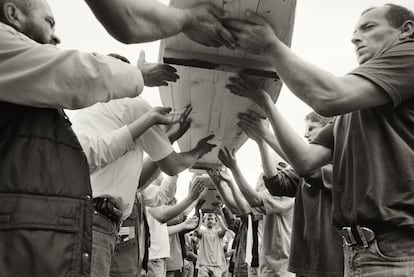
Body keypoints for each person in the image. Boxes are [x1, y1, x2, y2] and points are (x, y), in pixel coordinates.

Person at [225, 3, 414, 276]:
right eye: (354, 31)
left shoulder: (409, 57)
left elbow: (329, 96)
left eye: (369, 27)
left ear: (406, 31)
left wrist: (271, 46)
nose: (355, 37)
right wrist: (267, 105)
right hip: (358, 253)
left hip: (398, 252)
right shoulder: (349, 113)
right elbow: (305, 161)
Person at [0, 0, 165, 276]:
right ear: (13, 14)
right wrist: (137, 76)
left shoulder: (28, 98)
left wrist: (147, 123)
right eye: (48, 22)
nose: (56, 36)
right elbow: (77, 73)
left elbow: (86, 152)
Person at [238, 110, 343, 277]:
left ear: (329, 132)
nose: (305, 134)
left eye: (311, 128)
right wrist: (262, 143)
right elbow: (276, 185)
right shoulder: (301, 170)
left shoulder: (341, 165)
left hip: (330, 263)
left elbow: (310, 169)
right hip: (305, 261)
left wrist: (267, 134)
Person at [195, 210, 229, 277]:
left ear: (215, 221)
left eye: (212, 219)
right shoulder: (202, 232)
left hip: (216, 264)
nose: (210, 220)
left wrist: (218, 217)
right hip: (204, 264)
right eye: (208, 219)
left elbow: (225, 229)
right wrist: (201, 218)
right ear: (205, 221)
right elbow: (196, 231)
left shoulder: (218, 233)